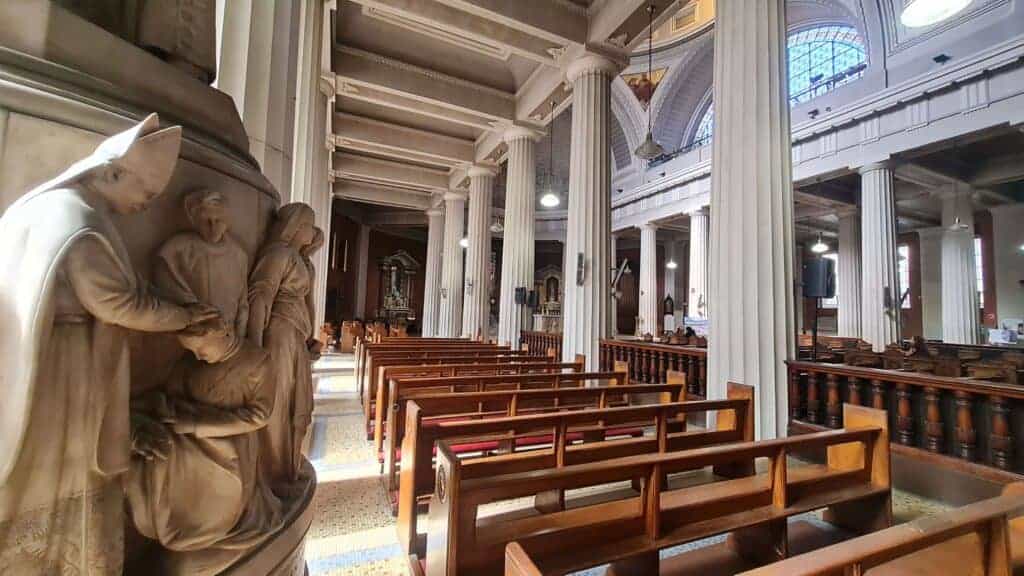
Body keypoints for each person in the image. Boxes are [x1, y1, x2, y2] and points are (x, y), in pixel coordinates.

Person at [0, 114, 219, 575]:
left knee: (66, 471)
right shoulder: (75, 218)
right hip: (62, 363)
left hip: (60, 355)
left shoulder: (63, 209)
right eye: (144, 193)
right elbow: (118, 302)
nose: (146, 204)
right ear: (114, 170)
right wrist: (182, 315)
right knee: (64, 470)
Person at [248, 203, 317, 493]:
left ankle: (287, 466)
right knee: (278, 400)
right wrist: (253, 343)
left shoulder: (297, 259)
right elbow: (261, 295)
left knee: (294, 400)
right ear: (296, 227)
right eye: (309, 225)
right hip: (279, 333)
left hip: (294, 334)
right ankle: (273, 471)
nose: (312, 232)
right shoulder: (279, 255)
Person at [154, 188, 250, 341]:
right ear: (195, 221)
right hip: (192, 335)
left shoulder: (239, 255)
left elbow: (242, 302)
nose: (212, 227)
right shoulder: (177, 249)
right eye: (206, 221)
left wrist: (239, 336)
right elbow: (168, 287)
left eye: (218, 220)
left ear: (227, 222)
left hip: (228, 337)